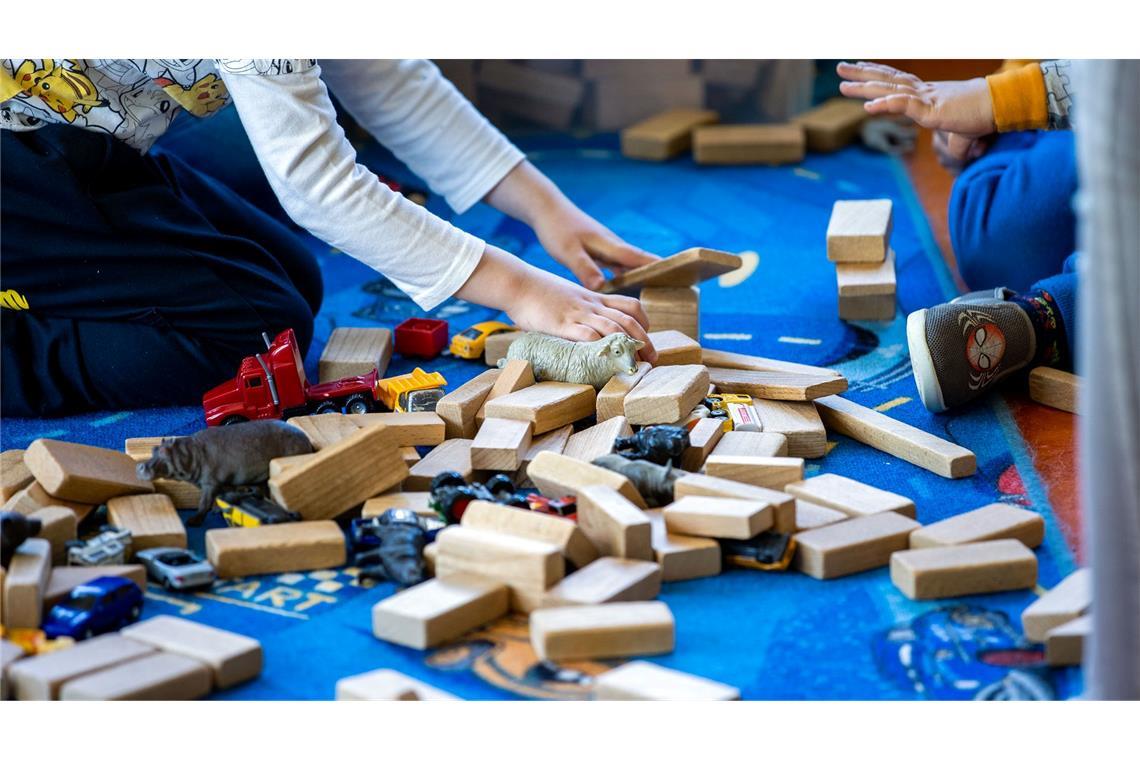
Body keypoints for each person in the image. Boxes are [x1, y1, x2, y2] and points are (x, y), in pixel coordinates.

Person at [0, 58, 658, 417]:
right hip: (23, 164)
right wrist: (516, 287)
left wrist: (548, 209)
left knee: (293, 279)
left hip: (88, 145)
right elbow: (317, 185)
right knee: (254, 339)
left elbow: (394, 83)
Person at [837, 60, 1078, 412]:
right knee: (996, 238)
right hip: (1098, 111)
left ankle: (1042, 321)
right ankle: (1009, 142)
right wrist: (998, 105)